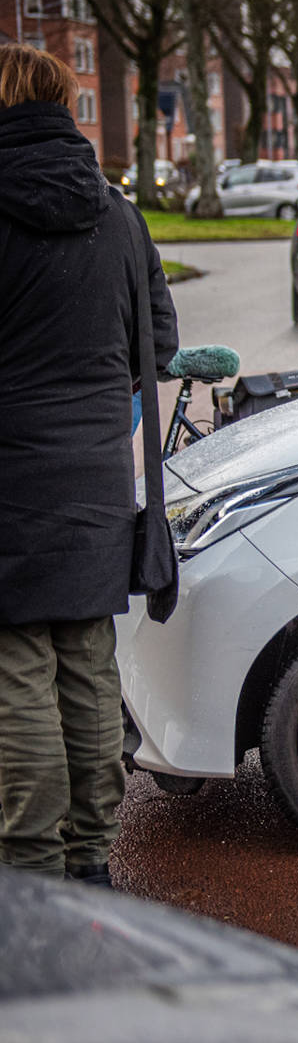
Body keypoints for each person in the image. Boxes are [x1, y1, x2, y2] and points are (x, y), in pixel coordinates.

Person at [0, 45, 178, 888]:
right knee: (86, 661)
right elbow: (162, 343)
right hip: (99, 481)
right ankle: (90, 855)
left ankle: (30, 864)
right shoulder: (119, 214)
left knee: (17, 670)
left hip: (11, 482)